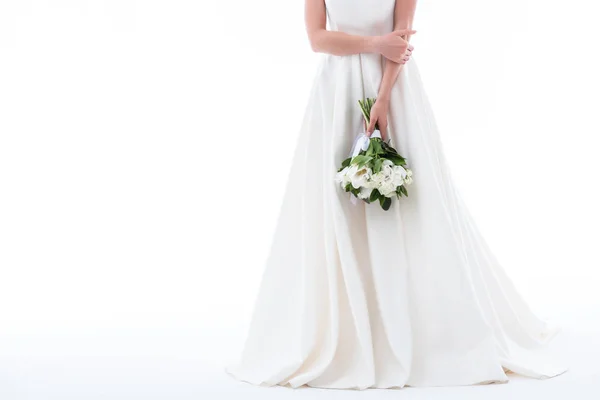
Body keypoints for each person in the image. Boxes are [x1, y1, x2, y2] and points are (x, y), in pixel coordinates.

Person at [228, 0, 566, 389]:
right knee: (338, 203)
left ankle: (423, 330)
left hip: (395, 90)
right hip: (337, 93)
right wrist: (376, 43)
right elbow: (318, 39)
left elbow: (401, 40)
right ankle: (347, 330)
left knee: (412, 202)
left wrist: (383, 98)